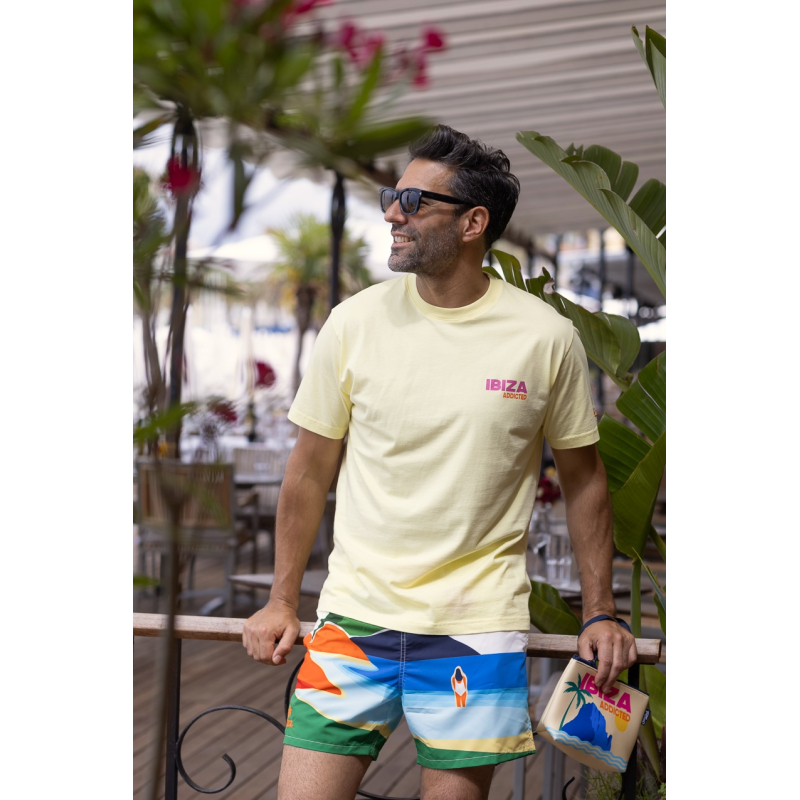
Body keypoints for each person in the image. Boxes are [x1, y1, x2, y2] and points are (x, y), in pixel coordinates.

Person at [243, 124, 637, 800]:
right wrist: (282, 600)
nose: (392, 214)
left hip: (477, 630)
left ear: (473, 223)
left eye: (413, 201)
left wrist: (599, 611)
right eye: (391, 197)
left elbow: (584, 480)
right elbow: (307, 472)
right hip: (353, 622)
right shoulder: (352, 323)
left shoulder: (546, 338)